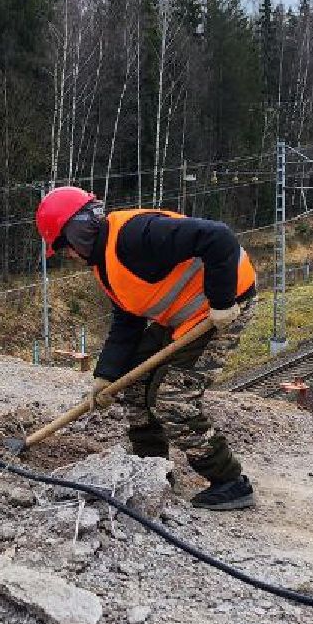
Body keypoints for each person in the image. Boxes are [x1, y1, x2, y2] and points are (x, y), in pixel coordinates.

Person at [34, 187, 259, 511]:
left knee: (171, 399)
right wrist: (105, 376)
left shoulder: (136, 235)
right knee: (134, 384)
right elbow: (127, 322)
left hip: (224, 309)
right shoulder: (105, 265)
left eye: (64, 246)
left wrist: (223, 301)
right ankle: (152, 466)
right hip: (183, 315)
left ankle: (229, 482)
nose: (68, 255)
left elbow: (219, 237)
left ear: (79, 230)